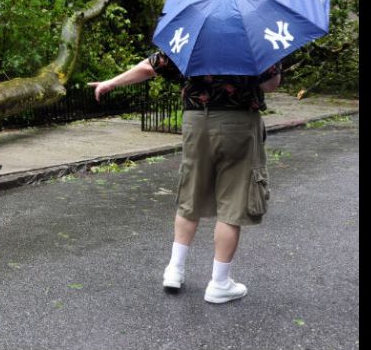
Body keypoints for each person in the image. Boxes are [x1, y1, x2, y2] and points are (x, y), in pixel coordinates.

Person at [89, 51, 281, 304]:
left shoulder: (192, 35)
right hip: (239, 123)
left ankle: (174, 269)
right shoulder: (255, 37)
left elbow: (150, 67)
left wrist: (111, 83)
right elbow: (270, 84)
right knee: (234, 200)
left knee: (191, 192)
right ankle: (220, 283)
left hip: (196, 121)